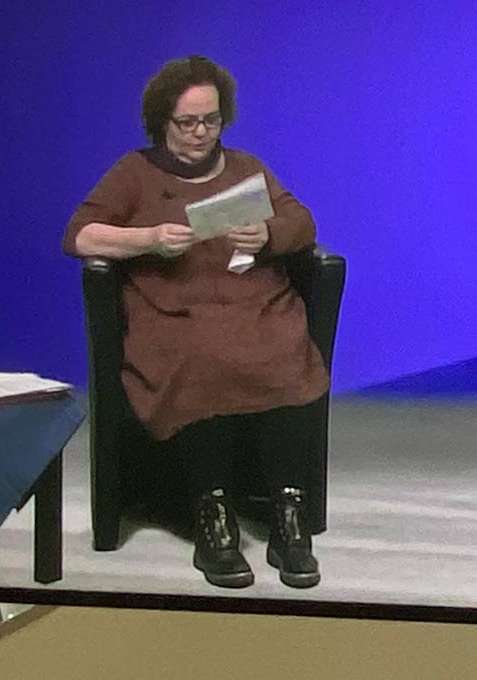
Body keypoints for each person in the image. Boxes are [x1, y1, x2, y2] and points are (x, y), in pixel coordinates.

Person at [63, 55, 329, 590]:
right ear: (162, 121)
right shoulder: (134, 173)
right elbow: (80, 235)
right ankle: (214, 515)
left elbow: (301, 220)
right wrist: (149, 239)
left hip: (252, 302)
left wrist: (267, 234)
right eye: (187, 122)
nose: (201, 133)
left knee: (282, 344)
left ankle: (288, 515)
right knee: (203, 354)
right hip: (175, 308)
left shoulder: (246, 167)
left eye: (211, 120)